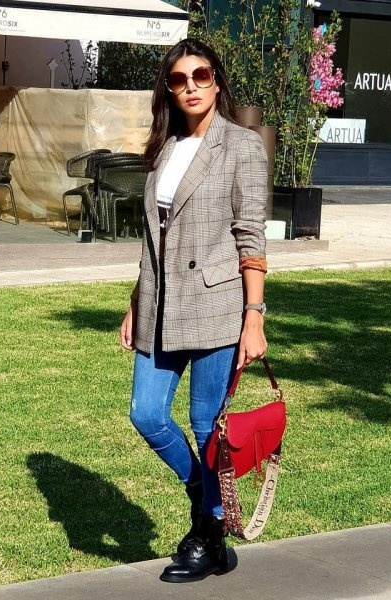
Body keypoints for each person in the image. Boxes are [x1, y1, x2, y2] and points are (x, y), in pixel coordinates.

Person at [119, 38, 268, 583]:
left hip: (216, 305)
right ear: (169, 88)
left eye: (201, 75)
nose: (191, 87)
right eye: (179, 79)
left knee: (207, 425)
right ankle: (207, 500)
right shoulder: (164, 147)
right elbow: (151, 240)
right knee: (146, 413)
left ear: (217, 80)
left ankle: (207, 534)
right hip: (160, 305)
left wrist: (254, 316)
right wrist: (136, 302)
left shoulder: (241, 146)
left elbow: (251, 237)